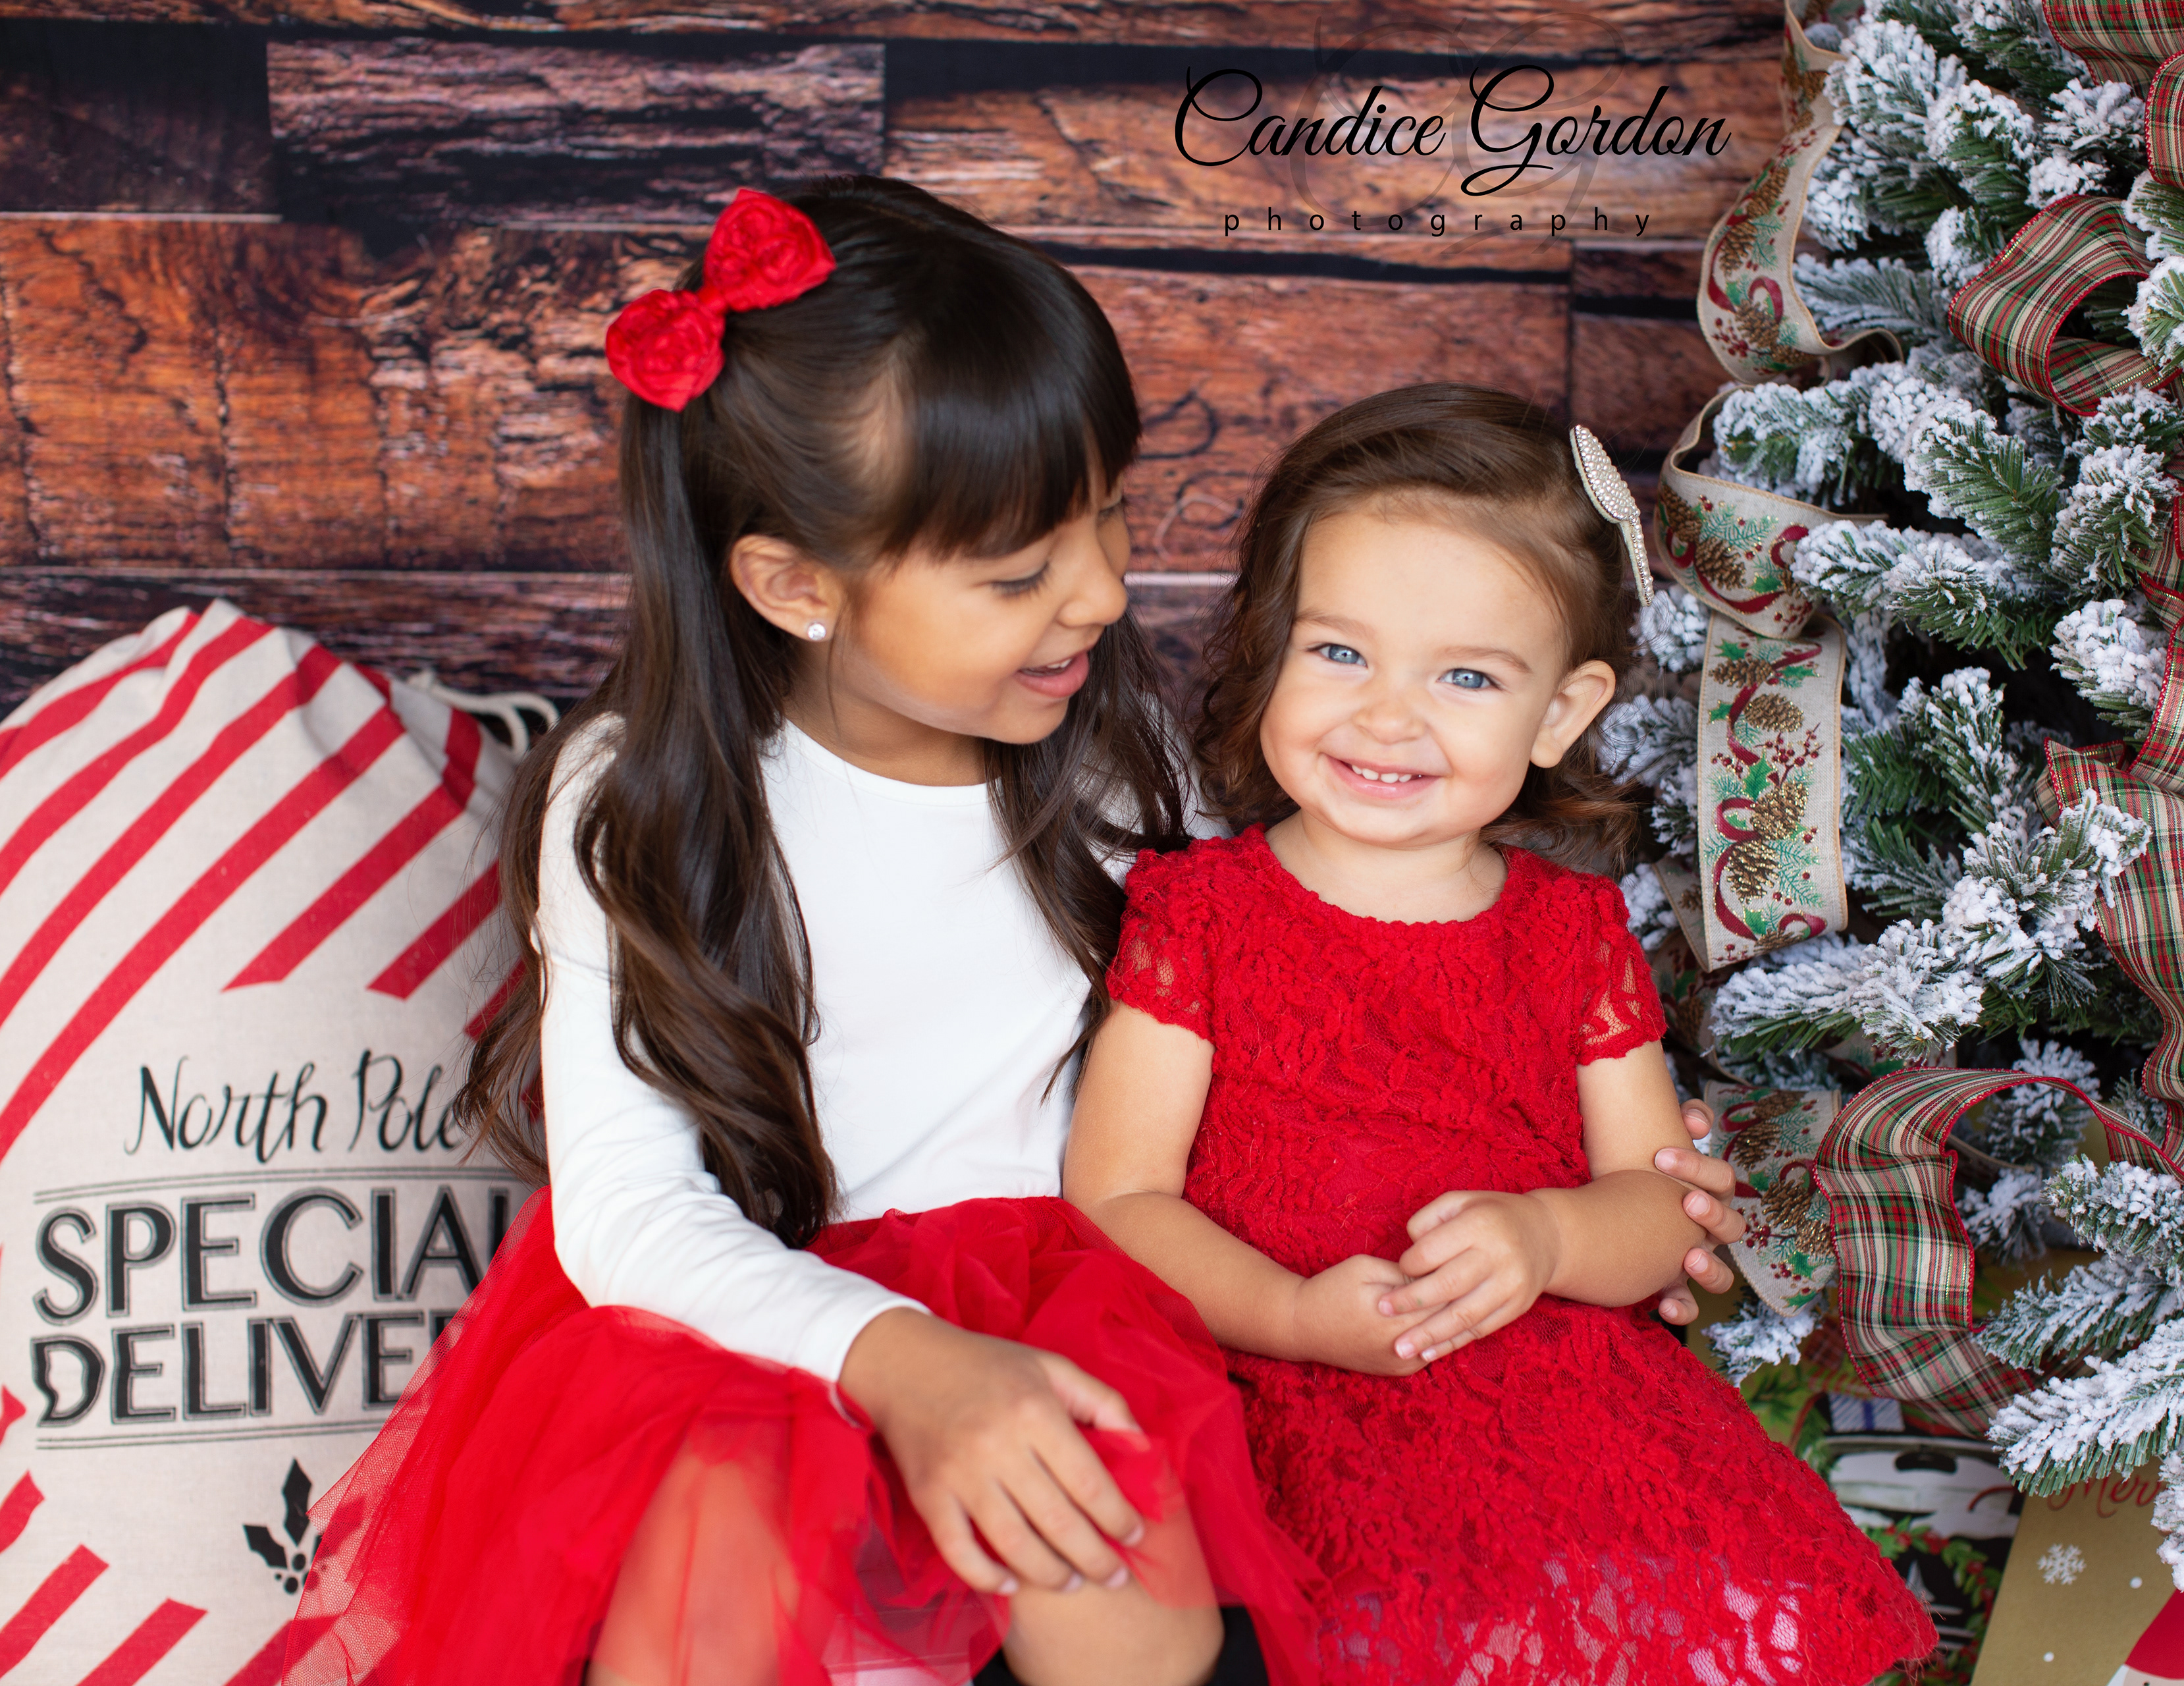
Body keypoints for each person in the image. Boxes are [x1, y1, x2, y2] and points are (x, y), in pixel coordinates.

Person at [275, 180, 1751, 1686]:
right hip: (772, 1327)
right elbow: (629, 1213)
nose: (1103, 591)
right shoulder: (644, 797)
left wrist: (1589, 1181)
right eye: (1018, 571)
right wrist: (912, 1365)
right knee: (706, 1575)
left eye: (1107, 511)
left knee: (1109, 1554)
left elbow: (1312, 983)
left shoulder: (1117, 757)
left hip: (1087, 1298)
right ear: (796, 585)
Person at [1065, 386, 1940, 1686]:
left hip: (1542, 1390)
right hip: (1273, 1374)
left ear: (1561, 713)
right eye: (1339, 652)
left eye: (1467, 676)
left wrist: (1547, 1239)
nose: (1388, 716)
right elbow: (1117, 1196)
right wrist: (1293, 1314)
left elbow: (1661, 1204)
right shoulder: (1202, 913)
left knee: (1681, 1607)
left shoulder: (1570, 933)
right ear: (1270, 643)